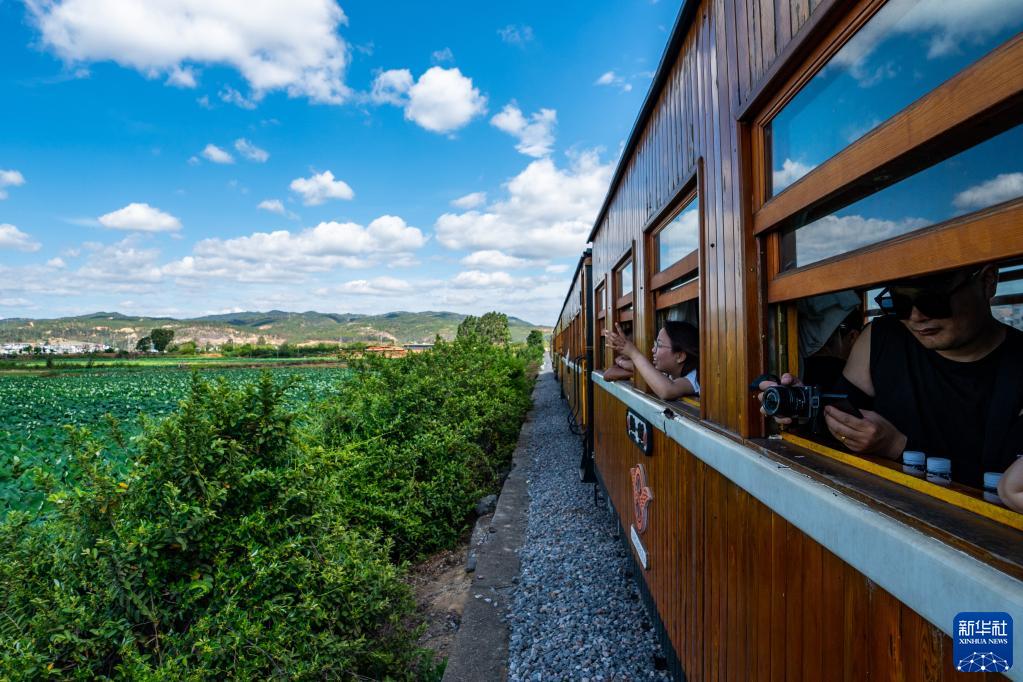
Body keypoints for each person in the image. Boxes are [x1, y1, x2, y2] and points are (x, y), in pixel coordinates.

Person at [759, 264, 1023, 489]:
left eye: (933, 300)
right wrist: (805, 405)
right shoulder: (881, 339)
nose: (917, 317)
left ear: (988, 281)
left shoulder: (1016, 367)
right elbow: (841, 421)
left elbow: (1003, 490)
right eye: (901, 303)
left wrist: (897, 446)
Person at [604, 321, 699, 400]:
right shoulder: (668, 372)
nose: (653, 350)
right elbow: (608, 374)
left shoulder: (695, 377)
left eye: (659, 345)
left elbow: (667, 391)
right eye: (655, 344)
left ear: (680, 356)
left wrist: (633, 353)